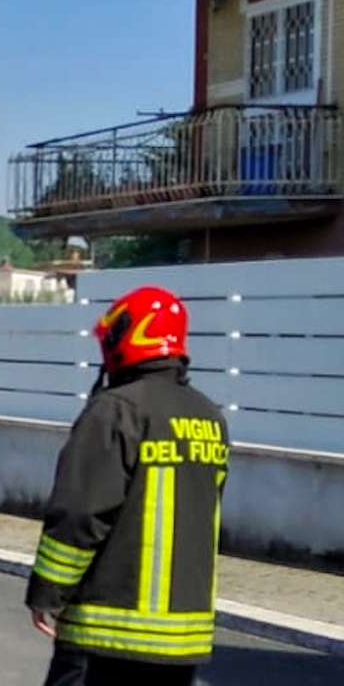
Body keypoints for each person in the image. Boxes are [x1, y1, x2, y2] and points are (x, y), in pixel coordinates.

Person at [26, 285, 230, 686]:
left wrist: (48, 592)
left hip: (105, 632)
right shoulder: (210, 417)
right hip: (181, 642)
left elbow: (80, 513)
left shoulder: (117, 410)